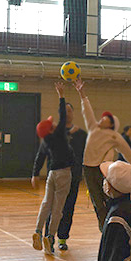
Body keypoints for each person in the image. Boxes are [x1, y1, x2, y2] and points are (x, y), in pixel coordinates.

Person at [73, 78, 131, 231]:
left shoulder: (114, 136)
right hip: (87, 169)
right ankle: (104, 229)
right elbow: (87, 110)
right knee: (97, 202)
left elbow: (126, 151)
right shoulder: (93, 128)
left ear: (111, 124)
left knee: (108, 199)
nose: (101, 118)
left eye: (105, 118)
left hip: (102, 170)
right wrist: (82, 93)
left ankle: (113, 224)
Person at [33, 86, 87, 252]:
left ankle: (39, 231)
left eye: (70, 110)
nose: (66, 113)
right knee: (57, 210)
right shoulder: (60, 134)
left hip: (57, 175)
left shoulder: (51, 138)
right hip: (64, 175)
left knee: (47, 204)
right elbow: (62, 117)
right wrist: (61, 95)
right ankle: (50, 237)